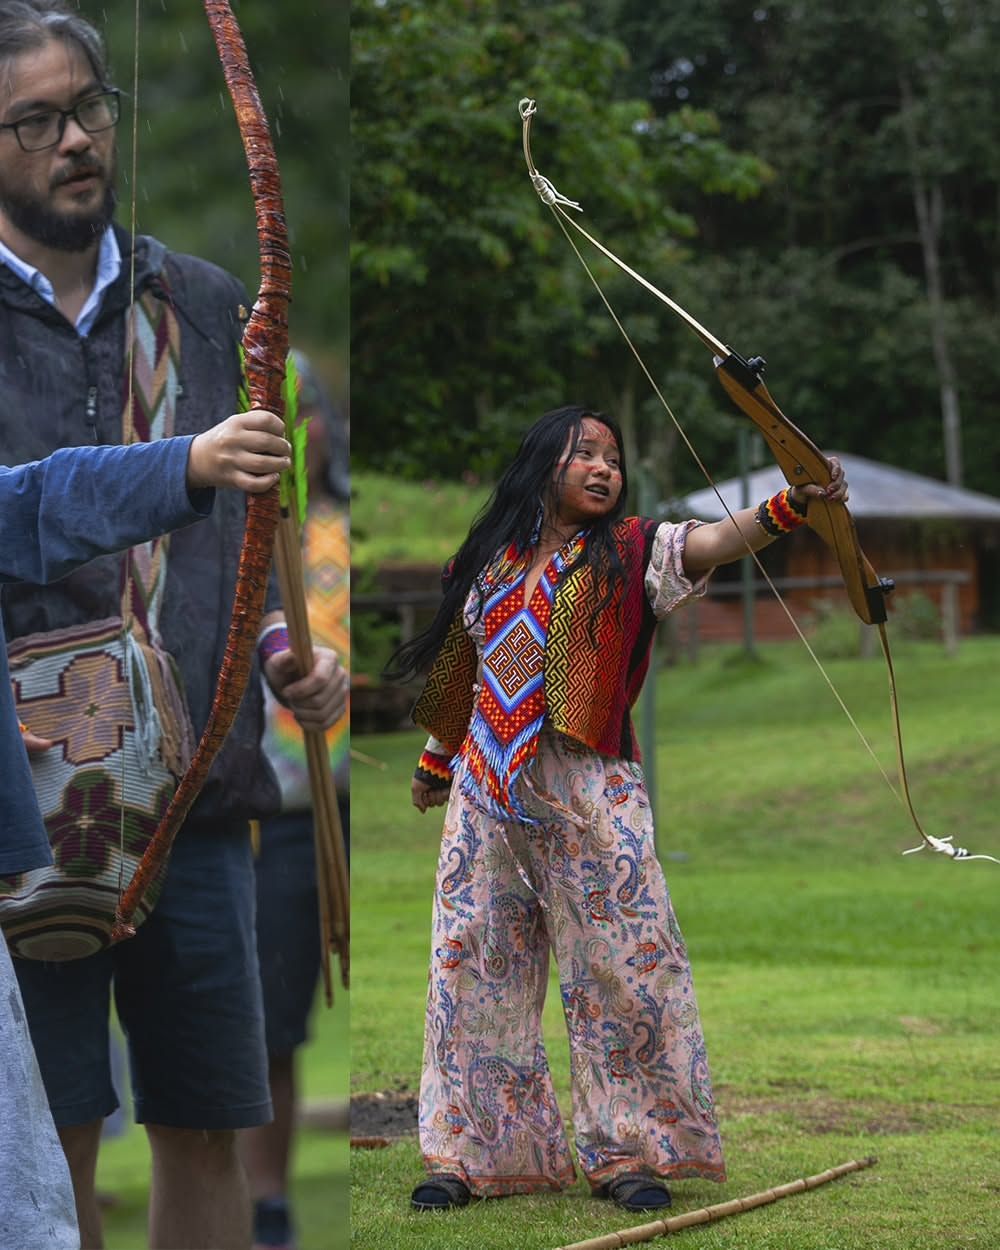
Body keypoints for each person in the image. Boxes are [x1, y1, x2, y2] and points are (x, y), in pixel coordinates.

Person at [0, 5, 348, 1248]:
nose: (74, 139)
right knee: (56, 1133)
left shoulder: (202, 300)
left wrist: (288, 661)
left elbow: (240, 554)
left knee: (206, 1118)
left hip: (198, 780)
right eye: (32, 121)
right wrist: (175, 462)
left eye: (88, 107)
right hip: (30, 793)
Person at [391, 404, 848, 1213]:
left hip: (591, 790)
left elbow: (709, 541)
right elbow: (465, 668)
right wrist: (436, 759)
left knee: (625, 966)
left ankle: (631, 1154)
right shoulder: (488, 562)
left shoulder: (631, 549)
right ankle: (469, 1155)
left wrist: (792, 503)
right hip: (484, 796)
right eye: (585, 454)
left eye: (613, 457)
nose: (605, 468)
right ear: (542, 466)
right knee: (472, 967)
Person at [0, 413, 292, 1250]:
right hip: (27, 864)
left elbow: (33, 501)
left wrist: (192, 460)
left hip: (192, 806)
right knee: (35, 1156)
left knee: (199, 1121)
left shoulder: (192, 303)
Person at [239, 354, 350, 1250]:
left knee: (302, 997)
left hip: (336, 797)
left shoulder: (342, 535)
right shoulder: (233, 537)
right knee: (265, 1012)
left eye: (297, 408)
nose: (290, 426)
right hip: (261, 803)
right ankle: (264, 1201)